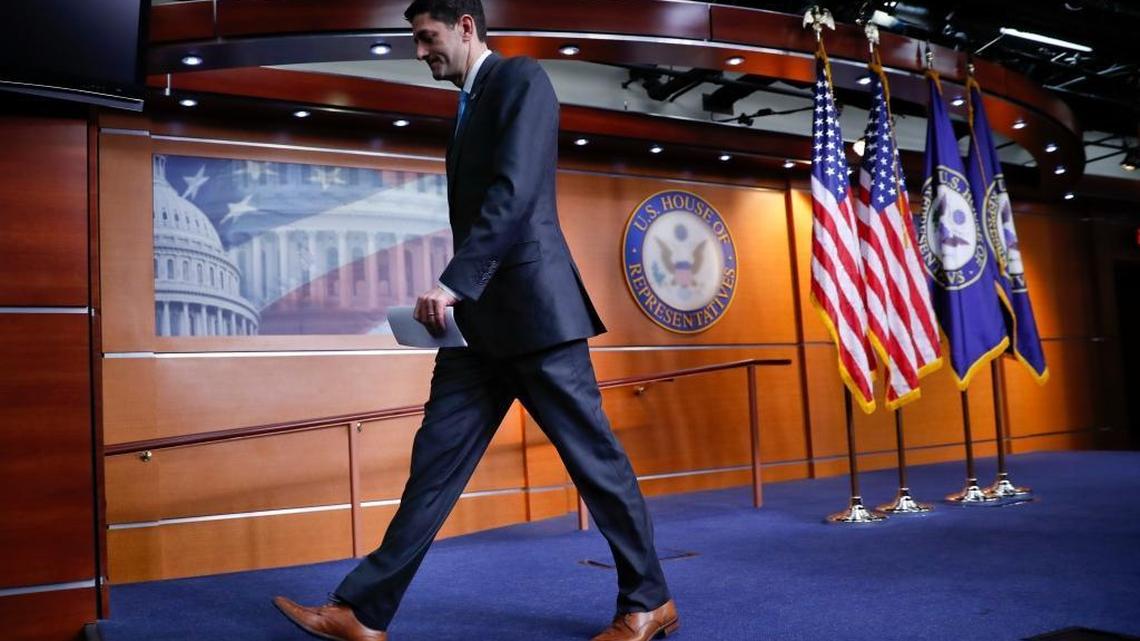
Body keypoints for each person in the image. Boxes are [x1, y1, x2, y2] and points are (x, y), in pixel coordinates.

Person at [273, 1, 677, 639]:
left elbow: (514, 193)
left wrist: (453, 282)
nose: (418, 51)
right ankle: (361, 612)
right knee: (433, 465)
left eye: (426, 37)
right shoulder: (463, 109)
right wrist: (460, 291)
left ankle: (648, 601)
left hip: (537, 320)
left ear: (465, 26)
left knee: (595, 465)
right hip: (479, 332)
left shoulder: (521, 80)